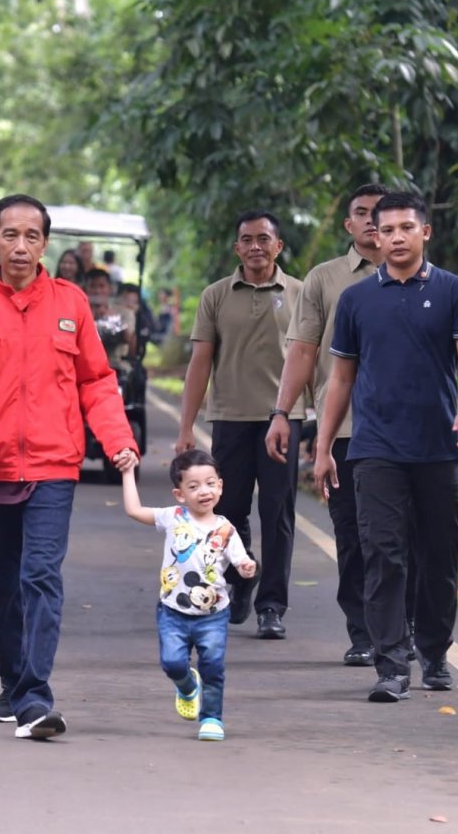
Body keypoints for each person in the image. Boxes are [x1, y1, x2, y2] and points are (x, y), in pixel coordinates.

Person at [0, 193, 139, 740]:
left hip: (53, 465)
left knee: (39, 575)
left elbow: (97, 379)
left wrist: (117, 439)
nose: (21, 246)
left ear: (45, 243)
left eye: (32, 236)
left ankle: (36, 699)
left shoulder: (71, 304)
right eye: (10, 235)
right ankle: (15, 678)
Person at [313, 190, 458, 703]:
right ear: (374, 235)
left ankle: (434, 652)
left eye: (405, 228)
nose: (394, 237)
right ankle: (391, 664)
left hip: (439, 446)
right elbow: (340, 379)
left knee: (439, 554)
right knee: (383, 555)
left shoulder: (455, 292)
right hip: (375, 448)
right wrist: (324, 448)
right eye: (384, 230)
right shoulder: (357, 300)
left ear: (424, 232)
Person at [265, 183, 390, 667]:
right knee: (353, 535)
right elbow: (302, 350)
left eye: (381, 213)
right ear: (349, 224)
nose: (372, 222)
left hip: (403, 431)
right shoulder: (325, 278)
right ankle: (363, 632)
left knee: (402, 536)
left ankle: (402, 627)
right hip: (342, 429)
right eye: (362, 213)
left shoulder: (423, 277)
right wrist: (282, 413)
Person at [176, 211, 304, 640]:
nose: (255, 246)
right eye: (247, 239)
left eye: (263, 239)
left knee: (277, 512)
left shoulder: (301, 294)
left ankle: (272, 606)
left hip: (283, 422)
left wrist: (323, 422)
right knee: (227, 512)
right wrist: (186, 427)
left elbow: (316, 362)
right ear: (236, 248)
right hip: (229, 418)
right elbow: (199, 363)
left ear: (278, 246)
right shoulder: (215, 296)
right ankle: (242, 573)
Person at [121, 450, 257, 741]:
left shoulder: (226, 529)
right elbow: (134, 510)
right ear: (179, 494)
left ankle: (211, 718)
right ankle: (186, 686)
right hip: (172, 611)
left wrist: (246, 568)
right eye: (193, 486)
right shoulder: (173, 517)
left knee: (213, 666)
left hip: (214, 614)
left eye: (210, 483)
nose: (203, 491)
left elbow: (241, 561)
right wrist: (128, 472)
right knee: (172, 663)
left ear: (220, 486)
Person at [87, 268, 136, 366]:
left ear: (110, 289)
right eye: (93, 286)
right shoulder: (77, 312)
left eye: (102, 286)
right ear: (85, 288)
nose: (97, 291)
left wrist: (114, 320)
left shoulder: (124, 313)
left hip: (116, 366)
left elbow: (131, 343)